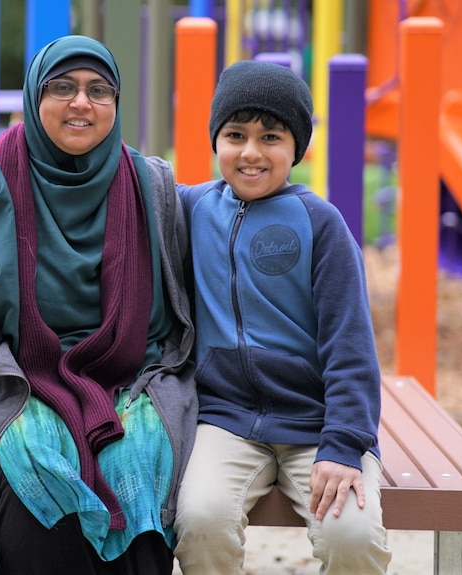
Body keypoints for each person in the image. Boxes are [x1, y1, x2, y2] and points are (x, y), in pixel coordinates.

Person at [0, 35, 197, 574]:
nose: (81, 102)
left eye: (99, 90)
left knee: (136, 466)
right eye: (61, 87)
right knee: (33, 472)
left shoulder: (153, 189)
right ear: (31, 96)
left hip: (138, 381)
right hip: (21, 382)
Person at [173, 60, 392, 574]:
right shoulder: (192, 208)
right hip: (224, 420)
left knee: (353, 536)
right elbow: (122, 180)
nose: (251, 152)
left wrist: (342, 445)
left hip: (317, 423)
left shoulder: (321, 223)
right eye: (235, 135)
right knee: (199, 520)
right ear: (215, 141)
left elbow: (351, 347)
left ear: (298, 148)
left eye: (271, 136)